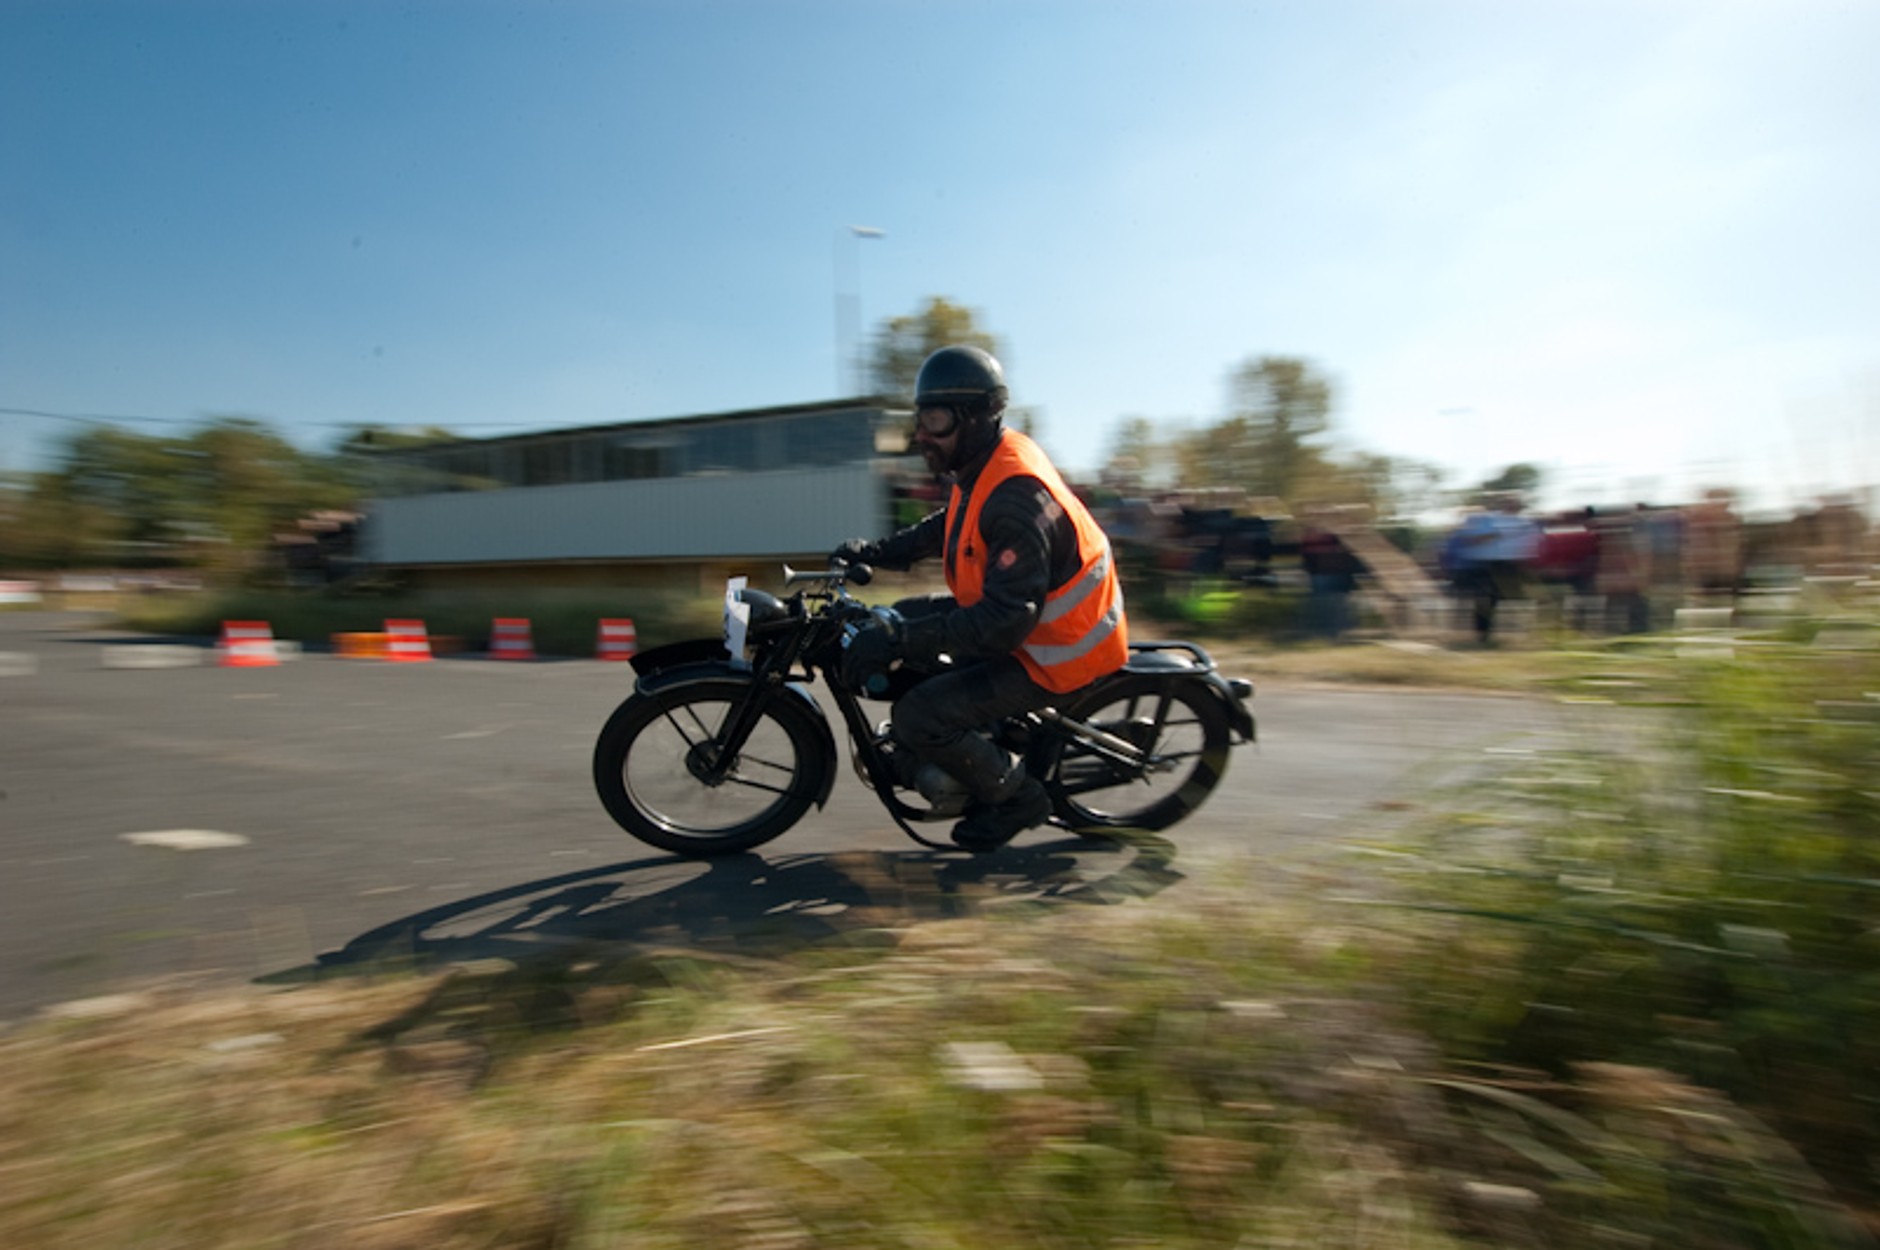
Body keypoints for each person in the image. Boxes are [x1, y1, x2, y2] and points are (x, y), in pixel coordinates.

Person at [830, 345, 1129, 852]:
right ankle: (966, 746)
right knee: (898, 618)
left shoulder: (1015, 497)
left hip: (1056, 650)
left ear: (974, 419)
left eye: (936, 420)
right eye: (920, 419)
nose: (922, 434)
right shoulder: (984, 464)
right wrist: (880, 552)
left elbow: (1004, 623)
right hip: (1023, 621)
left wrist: (905, 638)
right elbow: (952, 523)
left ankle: (1017, 798)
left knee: (921, 714)